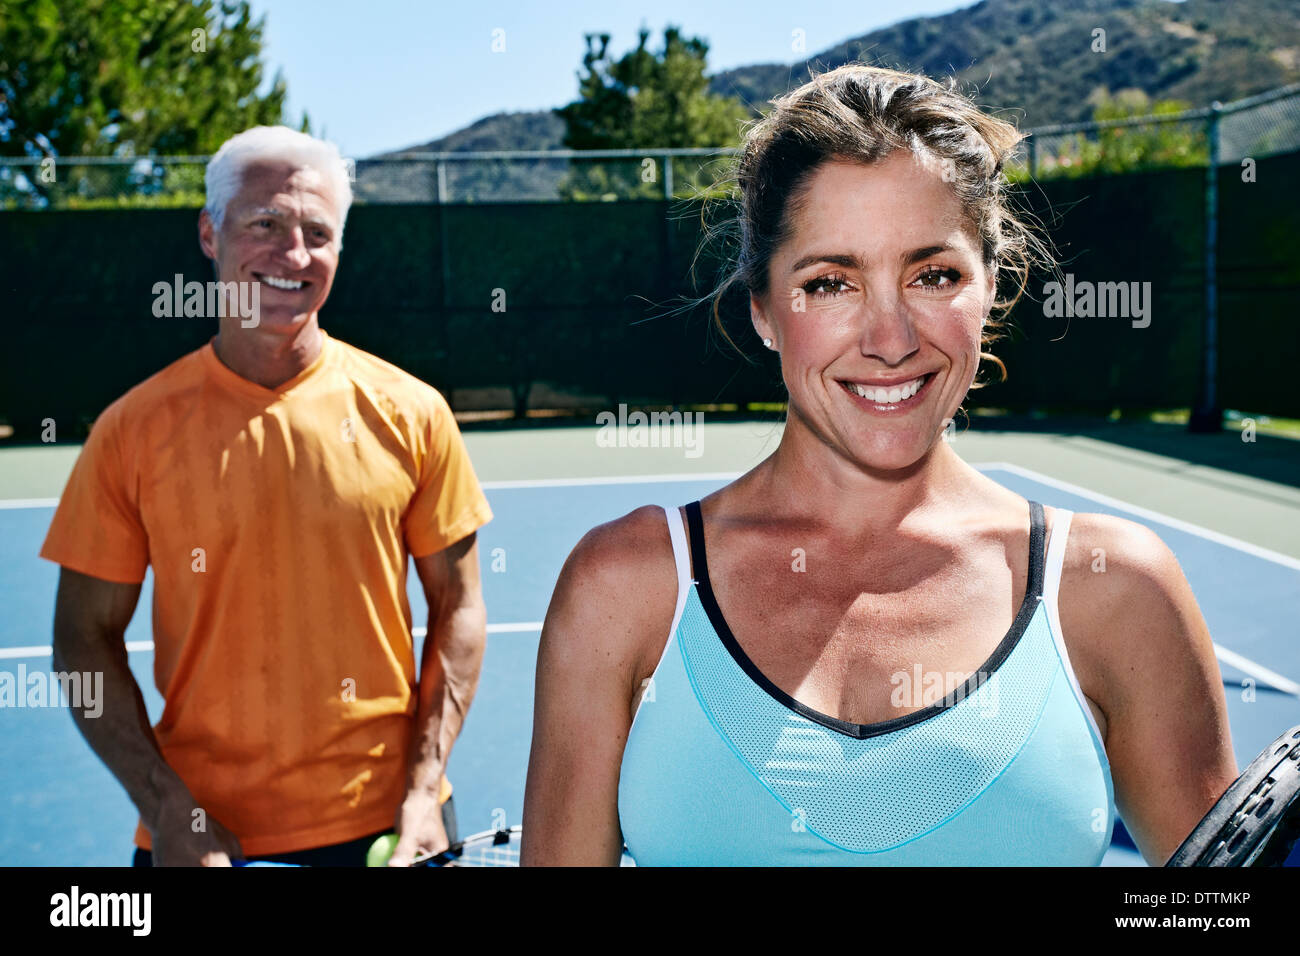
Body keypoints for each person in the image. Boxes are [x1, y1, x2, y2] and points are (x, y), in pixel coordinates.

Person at [520, 65, 1238, 865]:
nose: (890, 339)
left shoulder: (1119, 589)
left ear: (991, 285)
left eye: (933, 275)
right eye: (831, 283)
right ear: (762, 308)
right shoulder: (622, 587)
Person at [41, 126, 493, 866]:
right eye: (265, 224)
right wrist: (165, 805)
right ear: (209, 233)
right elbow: (81, 641)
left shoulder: (414, 413)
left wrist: (423, 787)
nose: (293, 255)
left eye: (318, 232)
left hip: (394, 832)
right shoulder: (130, 431)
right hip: (200, 839)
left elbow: (461, 605)